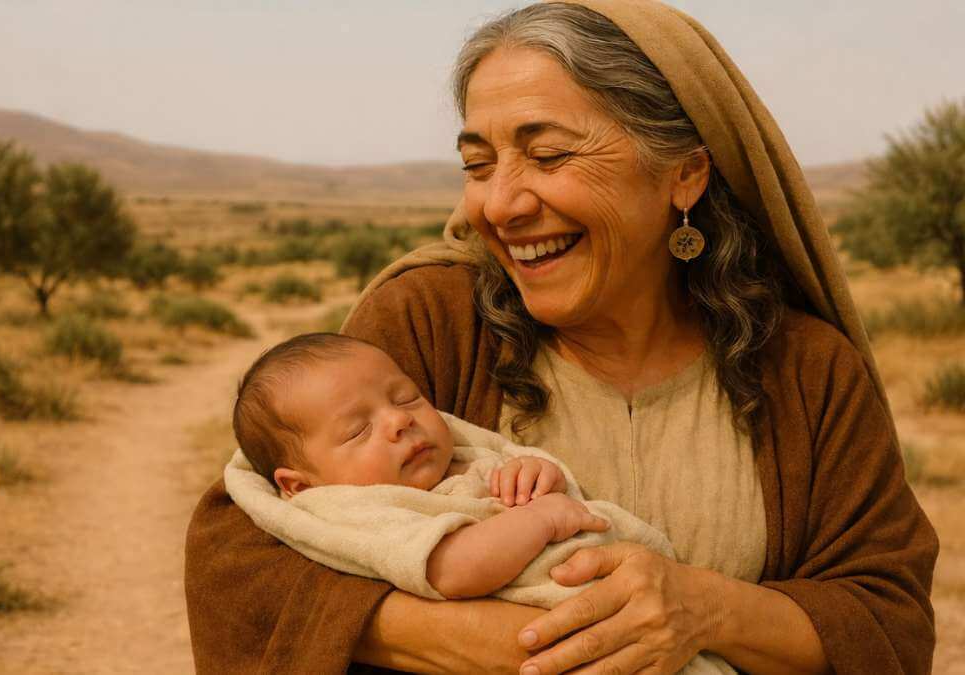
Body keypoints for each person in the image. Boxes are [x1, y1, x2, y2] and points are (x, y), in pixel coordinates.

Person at [185, 2, 939, 673]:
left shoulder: (805, 368)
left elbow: (887, 617)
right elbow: (240, 553)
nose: (500, 204)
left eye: (547, 155)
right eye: (478, 165)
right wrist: (499, 639)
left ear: (683, 174)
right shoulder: (427, 320)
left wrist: (702, 608)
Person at [222, 332, 734, 674]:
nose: (400, 421)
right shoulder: (351, 510)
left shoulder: (461, 460)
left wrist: (534, 473)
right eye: (358, 429)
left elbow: (511, 480)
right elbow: (455, 568)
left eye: (405, 398)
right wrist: (543, 517)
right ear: (298, 485)